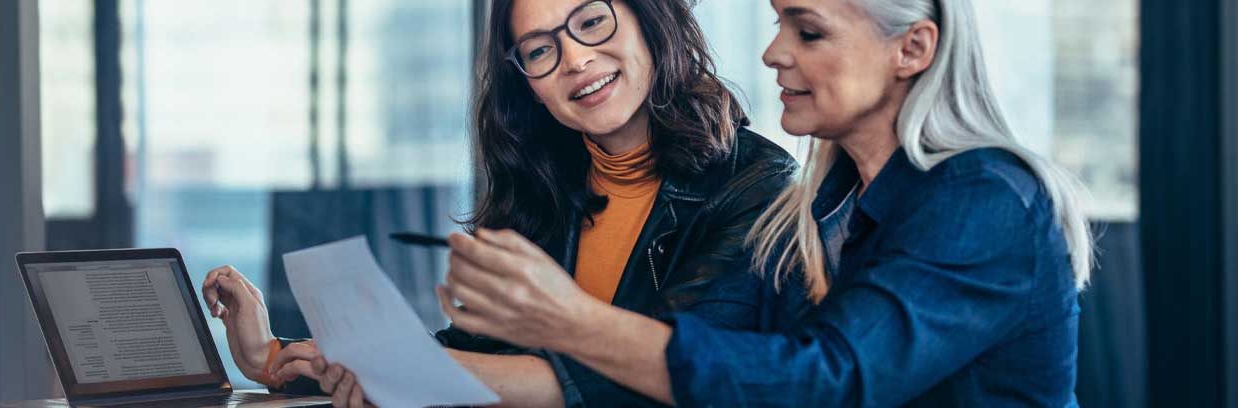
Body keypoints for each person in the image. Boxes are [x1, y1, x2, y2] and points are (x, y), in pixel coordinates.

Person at [437, 0, 1095, 405]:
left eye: (807, 32)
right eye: (780, 23)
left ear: (912, 49)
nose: (773, 52)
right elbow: (736, 372)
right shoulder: (817, 208)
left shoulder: (984, 199)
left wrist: (571, 321)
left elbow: (824, 383)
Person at [202, 0, 797, 406]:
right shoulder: (547, 186)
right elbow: (481, 356)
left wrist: (397, 372)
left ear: (649, 19)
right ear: (529, 86)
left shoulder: (760, 186)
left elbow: (659, 376)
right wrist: (274, 356)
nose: (576, 60)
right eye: (540, 51)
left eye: (592, 20)